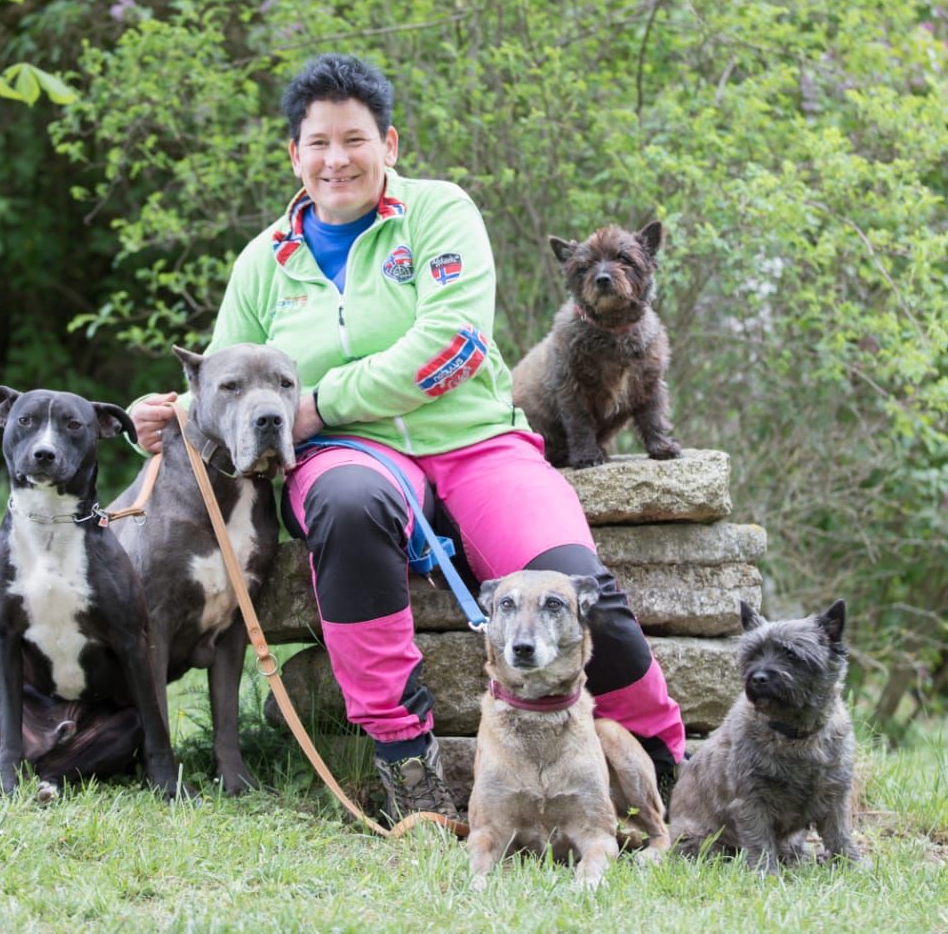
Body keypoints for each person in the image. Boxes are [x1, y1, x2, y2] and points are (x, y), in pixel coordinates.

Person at [131, 53, 685, 822]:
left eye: (354, 139)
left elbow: (453, 342)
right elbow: (224, 380)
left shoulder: (439, 212)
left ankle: (669, 772)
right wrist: (172, 414)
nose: (336, 159)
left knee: (572, 581)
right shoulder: (264, 262)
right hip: (346, 456)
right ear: (294, 154)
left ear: (388, 144)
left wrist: (321, 401)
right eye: (318, 143)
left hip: (476, 441)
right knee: (348, 508)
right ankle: (408, 772)